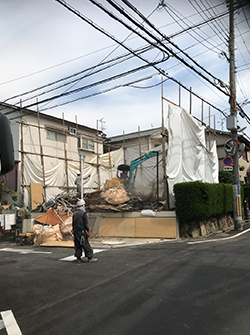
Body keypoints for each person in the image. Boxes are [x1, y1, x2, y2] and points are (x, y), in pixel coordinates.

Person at [72, 199, 98, 264]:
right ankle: (90, 257)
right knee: (86, 244)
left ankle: (78, 258)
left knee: (77, 245)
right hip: (82, 232)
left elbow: (73, 223)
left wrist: (73, 232)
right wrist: (88, 230)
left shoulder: (74, 213)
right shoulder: (83, 213)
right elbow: (85, 223)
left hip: (76, 231)